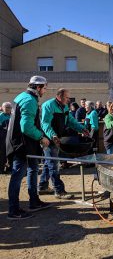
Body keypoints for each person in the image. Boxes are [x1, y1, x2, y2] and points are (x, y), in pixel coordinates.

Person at [6, 75, 51, 220]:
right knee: (17, 176)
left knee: (33, 169)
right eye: (44, 88)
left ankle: (34, 201)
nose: (45, 90)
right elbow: (25, 127)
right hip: (22, 145)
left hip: (26, 144)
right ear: (38, 87)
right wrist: (41, 137)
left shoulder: (22, 96)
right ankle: (13, 210)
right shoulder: (30, 100)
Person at [39, 88, 89, 199]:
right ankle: (59, 191)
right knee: (54, 165)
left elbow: (71, 121)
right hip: (47, 139)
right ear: (60, 97)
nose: (68, 99)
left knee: (49, 163)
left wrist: (82, 129)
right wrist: (53, 135)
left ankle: (42, 186)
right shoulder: (48, 105)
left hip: (57, 138)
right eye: (66, 97)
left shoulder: (65, 107)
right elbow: (45, 123)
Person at [0, 102, 12, 173]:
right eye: (6, 107)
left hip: (10, 138)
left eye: (9, 107)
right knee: (2, 154)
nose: (7, 109)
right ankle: (1, 169)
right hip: (2, 138)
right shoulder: (1, 116)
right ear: (2, 108)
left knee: (10, 154)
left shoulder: (13, 116)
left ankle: (9, 169)